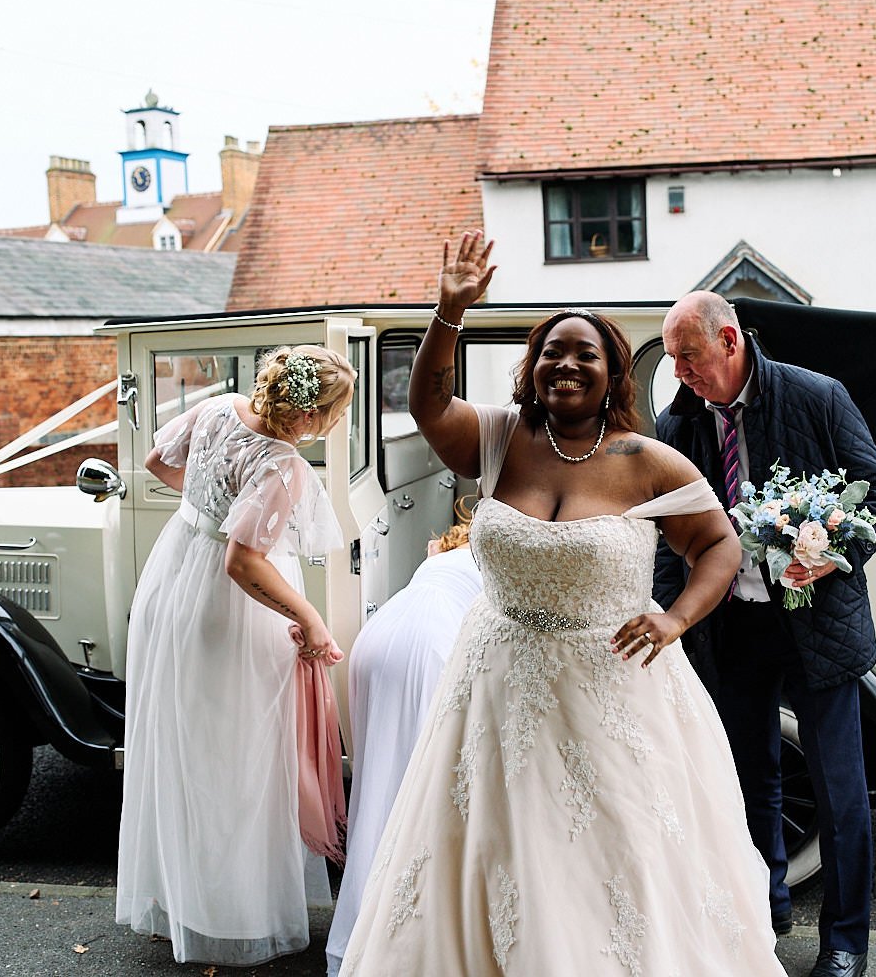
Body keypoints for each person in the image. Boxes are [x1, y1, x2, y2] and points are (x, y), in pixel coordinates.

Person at [339, 232, 788, 976]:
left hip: (612, 689)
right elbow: (426, 402)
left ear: (614, 373)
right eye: (552, 351)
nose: (567, 364)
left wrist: (675, 620)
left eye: (586, 354)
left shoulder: (646, 462)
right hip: (495, 686)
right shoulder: (496, 437)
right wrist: (449, 309)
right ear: (532, 366)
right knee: (495, 848)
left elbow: (720, 547)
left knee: (613, 856)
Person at [654, 292, 876, 977]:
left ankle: (846, 943)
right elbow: (664, 537)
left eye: (689, 356)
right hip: (729, 627)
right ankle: (765, 906)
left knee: (839, 792)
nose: (679, 372)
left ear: (730, 341)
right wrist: (671, 622)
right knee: (746, 780)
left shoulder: (818, 397)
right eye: (673, 358)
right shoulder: (675, 425)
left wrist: (826, 554)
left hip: (818, 626)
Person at [115, 344, 356, 966]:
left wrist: (207, 507)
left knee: (185, 743)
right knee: (238, 753)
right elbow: (244, 561)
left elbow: (157, 461)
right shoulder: (282, 467)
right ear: (309, 417)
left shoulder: (219, 407)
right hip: (231, 609)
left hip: (173, 577)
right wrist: (310, 618)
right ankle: (231, 913)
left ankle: (182, 900)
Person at [324, 513, 482, 976]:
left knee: (378, 785)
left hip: (377, 639)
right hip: (432, 643)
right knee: (424, 792)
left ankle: (364, 925)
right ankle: (406, 934)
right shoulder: (501, 558)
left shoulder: (441, 553)